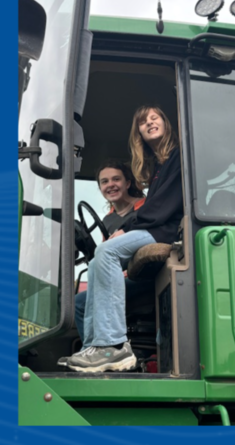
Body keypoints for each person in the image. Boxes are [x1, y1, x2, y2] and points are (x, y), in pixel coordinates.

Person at [65, 107, 183, 373]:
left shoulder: (178, 156)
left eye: (155, 117)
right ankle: (94, 348)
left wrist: (127, 227)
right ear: (138, 132)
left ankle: (113, 346)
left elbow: (159, 209)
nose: (150, 122)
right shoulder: (160, 166)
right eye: (143, 121)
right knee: (97, 262)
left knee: (106, 254)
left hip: (164, 232)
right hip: (150, 230)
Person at [72, 160, 146, 336]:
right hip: (119, 278)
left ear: (127, 183)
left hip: (141, 275)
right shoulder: (108, 219)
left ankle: (97, 349)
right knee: (79, 299)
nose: (110, 185)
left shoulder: (146, 208)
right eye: (104, 182)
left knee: (79, 304)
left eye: (116, 179)